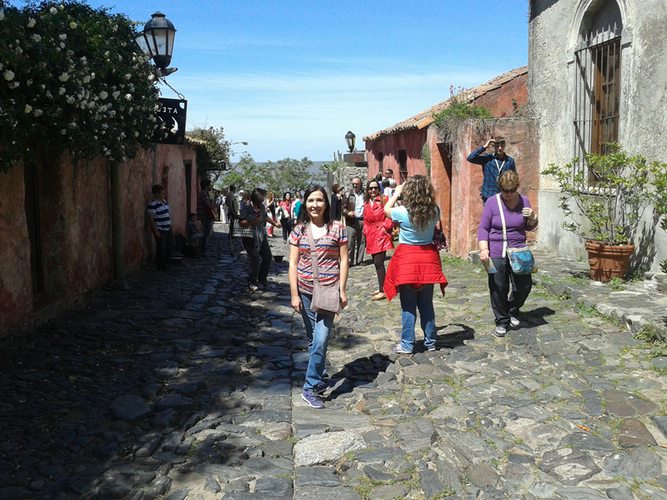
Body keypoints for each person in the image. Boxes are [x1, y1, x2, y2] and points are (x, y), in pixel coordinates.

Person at [289, 185, 349, 409]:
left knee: (321, 338)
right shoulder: (299, 231)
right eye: (311, 200)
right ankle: (321, 374)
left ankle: (310, 386)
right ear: (305, 203)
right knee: (313, 338)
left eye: (319, 200)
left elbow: (344, 260)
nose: (315, 205)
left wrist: (342, 289)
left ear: (326, 204)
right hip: (304, 291)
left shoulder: (337, 229)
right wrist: (294, 294)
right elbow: (293, 263)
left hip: (328, 291)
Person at [383, 175, 448, 354]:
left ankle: (407, 344)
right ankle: (430, 342)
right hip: (427, 259)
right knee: (426, 304)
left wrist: (396, 193)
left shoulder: (402, 212)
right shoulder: (434, 210)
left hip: (407, 261)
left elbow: (386, 209)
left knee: (408, 305)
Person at [478, 170, 538, 338]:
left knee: (524, 286)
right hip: (496, 251)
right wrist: (484, 249)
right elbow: (483, 228)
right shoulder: (492, 202)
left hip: (519, 250)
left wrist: (533, 217)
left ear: (517, 187)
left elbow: (530, 227)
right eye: (506, 191)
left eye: (512, 190)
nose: (509, 194)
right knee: (498, 287)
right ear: (500, 188)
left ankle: (512, 309)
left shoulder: (524, 201)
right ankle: (502, 320)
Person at [237, 188, 280, 291]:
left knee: (268, 257)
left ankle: (262, 279)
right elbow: (241, 222)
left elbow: (265, 216)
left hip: (261, 236)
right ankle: (252, 281)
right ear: (258, 197)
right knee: (254, 260)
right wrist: (253, 221)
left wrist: (275, 223)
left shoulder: (260, 206)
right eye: (263, 197)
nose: (264, 199)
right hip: (249, 237)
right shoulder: (246, 207)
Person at [363, 178, 394, 301]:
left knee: (379, 263)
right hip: (371, 234)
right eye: (370, 188)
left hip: (381, 234)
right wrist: (365, 230)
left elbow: (389, 215)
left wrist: (385, 227)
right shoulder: (367, 202)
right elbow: (365, 219)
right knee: (376, 263)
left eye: (375, 187)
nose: (373, 190)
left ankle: (383, 290)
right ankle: (382, 286)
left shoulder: (384, 199)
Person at [467, 137, 516, 203]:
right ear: (494, 147)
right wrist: (484, 147)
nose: (499, 148)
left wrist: (511, 193)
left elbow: (513, 178)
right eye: (497, 146)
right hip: (488, 195)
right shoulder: (487, 159)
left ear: (504, 146)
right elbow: (470, 158)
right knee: (488, 213)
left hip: (503, 195)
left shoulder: (509, 161)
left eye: (501, 146)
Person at [146, 184, 173, 271]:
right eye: (162, 193)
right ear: (157, 194)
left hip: (168, 228)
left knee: (171, 244)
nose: (164, 194)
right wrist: (155, 231)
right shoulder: (152, 205)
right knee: (161, 248)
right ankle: (161, 266)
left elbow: (167, 214)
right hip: (160, 229)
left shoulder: (164, 202)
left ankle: (165, 262)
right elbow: (151, 219)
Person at [344, 176, 366, 266]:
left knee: (362, 241)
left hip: (362, 220)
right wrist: (348, 212)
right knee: (350, 242)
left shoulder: (365, 194)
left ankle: (360, 260)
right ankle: (349, 261)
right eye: (353, 184)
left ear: (360, 184)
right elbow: (343, 207)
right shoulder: (347, 194)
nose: (355, 185)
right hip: (351, 221)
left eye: (356, 183)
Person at [197, 179, 215, 253]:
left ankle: (203, 248)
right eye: (209, 185)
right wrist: (213, 204)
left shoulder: (203, 193)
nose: (210, 187)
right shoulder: (203, 193)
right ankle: (202, 249)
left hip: (205, 214)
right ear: (206, 186)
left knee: (206, 232)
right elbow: (208, 205)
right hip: (205, 215)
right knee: (206, 233)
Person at [225, 184, 240, 256]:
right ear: (233, 189)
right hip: (231, 212)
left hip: (233, 211)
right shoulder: (230, 195)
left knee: (233, 223)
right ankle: (231, 235)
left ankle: (231, 234)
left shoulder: (231, 194)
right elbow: (230, 204)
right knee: (232, 223)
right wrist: (232, 212)